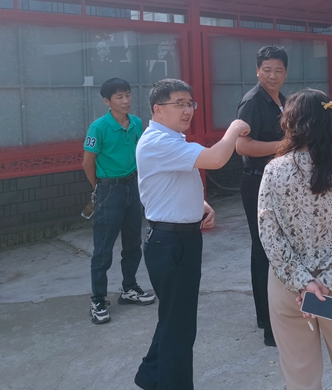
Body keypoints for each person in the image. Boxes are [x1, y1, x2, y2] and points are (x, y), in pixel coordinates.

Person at [134, 78, 250, 390]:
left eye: (190, 104)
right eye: (180, 104)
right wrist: (234, 128)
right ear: (158, 109)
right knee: (180, 325)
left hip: (179, 238)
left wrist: (200, 205)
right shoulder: (159, 141)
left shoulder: (171, 139)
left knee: (174, 316)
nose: (187, 110)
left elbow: (171, 182)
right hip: (170, 242)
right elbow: (215, 159)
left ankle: (150, 374)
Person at [258, 89, 332, 390]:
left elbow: (269, 233)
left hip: (287, 287)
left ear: (292, 123)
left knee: (300, 374)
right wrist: (326, 282)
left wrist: (303, 282)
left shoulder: (274, 171)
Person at [83, 77, 155, 325]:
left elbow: (141, 153)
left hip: (132, 187)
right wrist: (99, 188)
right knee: (103, 249)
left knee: (133, 242)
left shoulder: (136, 123)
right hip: (108, 190)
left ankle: (129, 288)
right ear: (107, 101)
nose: (125, 101)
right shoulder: (98, 128)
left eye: (127, 95)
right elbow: (87, 163)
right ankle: (98, 299)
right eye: (119, 97)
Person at [235, 45, 288, 347]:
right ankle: (269, 324)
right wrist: (284, 145)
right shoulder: (252, 102)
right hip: (257, 182)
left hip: (279, 183)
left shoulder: (283, 100)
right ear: (257, 71)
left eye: (278, 70)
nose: (272, 75)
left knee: (277, 248)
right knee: (264, 249)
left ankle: (272, 315)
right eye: (266, 70)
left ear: (285, 73)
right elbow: (242, 146)